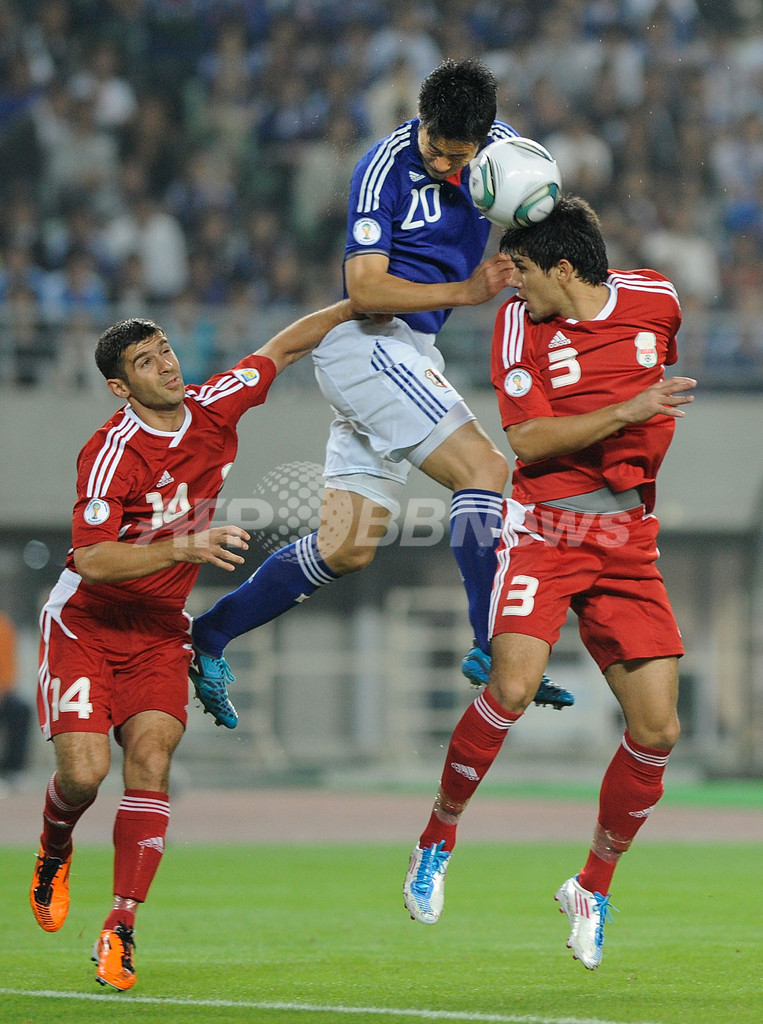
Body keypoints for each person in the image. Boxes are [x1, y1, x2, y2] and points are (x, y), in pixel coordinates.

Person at [188, 58, 574, 729]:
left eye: (458, 157)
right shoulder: (383, 165)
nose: (444, 164)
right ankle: (491, 643)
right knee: (484, 470)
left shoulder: (507, 155)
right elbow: (363, 290)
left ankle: (208, 634)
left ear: (481, 140)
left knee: (347, 547)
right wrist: (466, 290)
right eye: (434, 147)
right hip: (369, 339)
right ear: (419, 123)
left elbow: (540, 222)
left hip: (406, 350)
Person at [29, 297, 363, 991]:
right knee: (85, 776)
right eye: (145, 363)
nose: (166, 365)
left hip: (157, 633)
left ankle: (120, 926)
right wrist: (184, 544)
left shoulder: (214, 405)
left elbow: (283, 347)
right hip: (87, 626)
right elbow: (90, 559)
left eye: (166, 351)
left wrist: (362, 297)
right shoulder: (110, 451)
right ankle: (54, 846)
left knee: (151, 759)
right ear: (121, 387)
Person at [402, 195, 696, 970]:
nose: (511, 282)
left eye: (523, 270)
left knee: (658, 730)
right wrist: (629, 408)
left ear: (566, 269)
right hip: (546, 529)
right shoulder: (514, 324)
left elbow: (653, 340)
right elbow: (526, 440)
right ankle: (437, 835)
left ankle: (591, 886)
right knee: (511, 688)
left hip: (627, 536)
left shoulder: (656, 297)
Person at [0, 610, 32, 786]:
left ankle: (13, 770)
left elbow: (8, 668)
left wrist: (3, 691)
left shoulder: (3, 626)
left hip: (3, 693)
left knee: (21, 709)